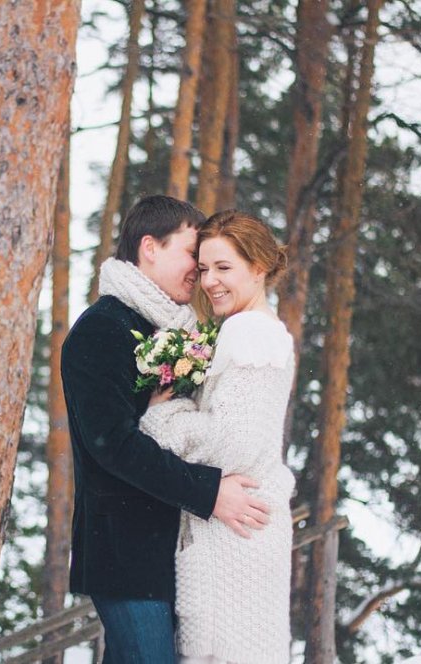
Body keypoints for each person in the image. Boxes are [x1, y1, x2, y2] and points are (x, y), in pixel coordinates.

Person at [61, 196, 271, 664]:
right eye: (191, 254)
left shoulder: (172, 328)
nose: (199, 270)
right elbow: (113, 446)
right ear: (150, 247)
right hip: (127, 553)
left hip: (175, 551)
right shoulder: (102, 329)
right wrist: (209, 492)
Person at [137, 209, 296, 663]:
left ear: (258, 267)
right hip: (240, 529)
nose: (209, 281)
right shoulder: (254, 329)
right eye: (204, 268)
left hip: (236, 536)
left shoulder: (250, 332)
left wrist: (163, 415)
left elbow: (232, 443)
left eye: (224, 267)